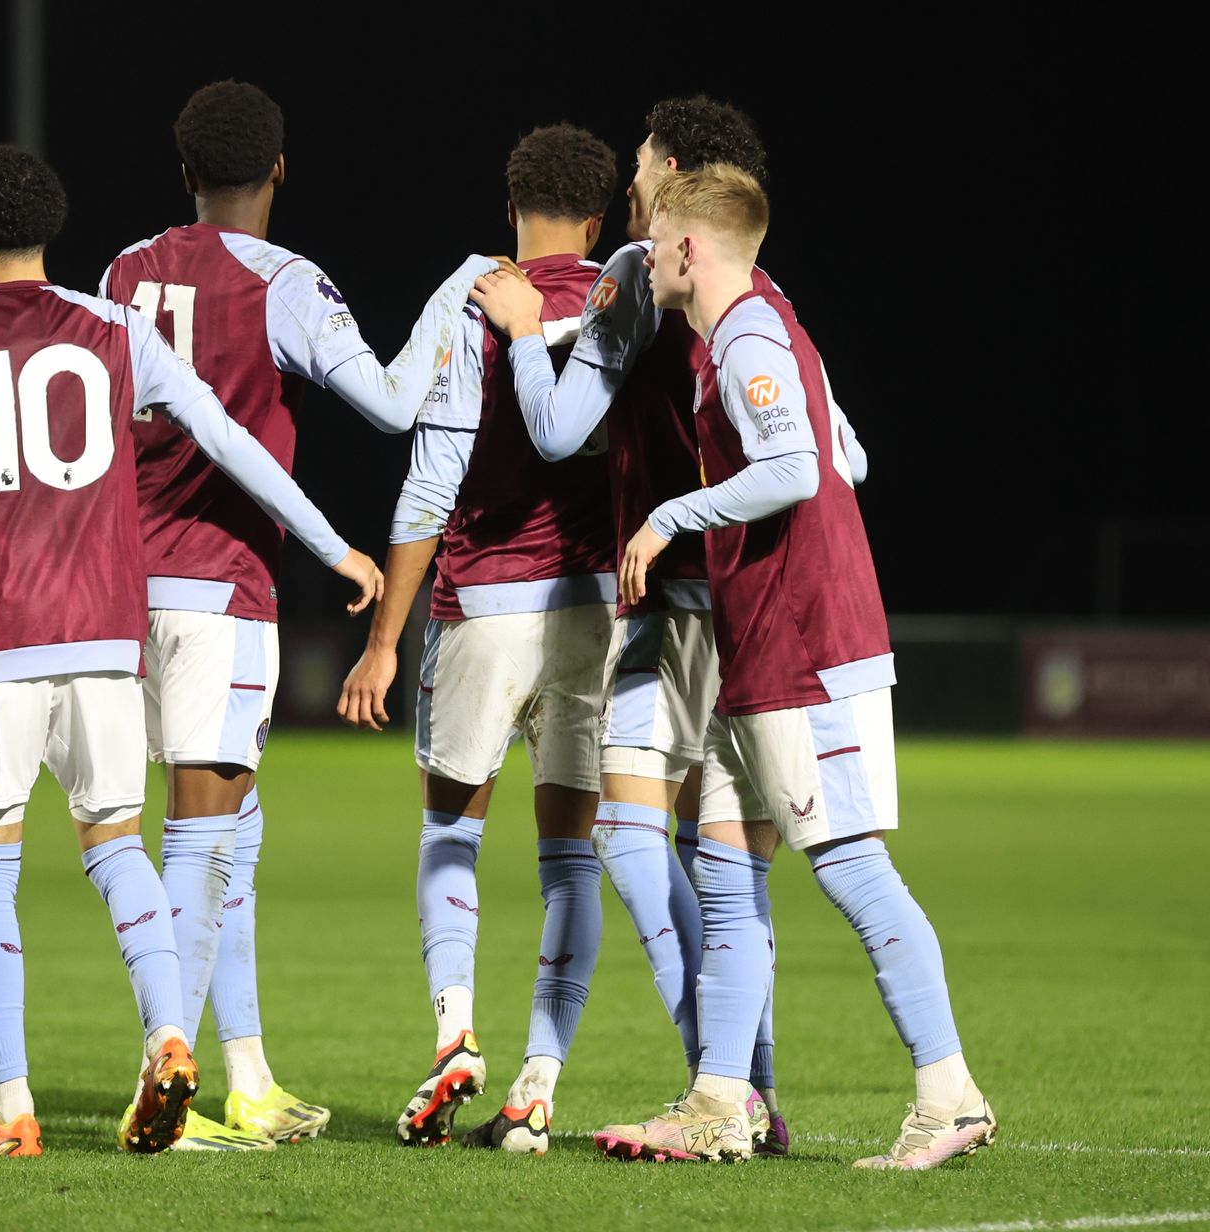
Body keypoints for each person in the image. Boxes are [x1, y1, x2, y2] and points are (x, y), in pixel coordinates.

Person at [0, 143, 383, 1157]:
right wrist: (333, 543)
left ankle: (14, 1110)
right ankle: (168, 1039)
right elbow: (228, 437)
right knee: (117, 847)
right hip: (107, 637)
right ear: (45, 232)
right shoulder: (115, 328)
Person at [539, 164, 992, 1167]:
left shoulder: (744, 333)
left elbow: (796, 467)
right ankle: (719, 1100)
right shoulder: (747, 333)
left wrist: (668, 515)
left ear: (690, 250)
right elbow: (846, 455)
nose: (642, 253)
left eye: (655, 238)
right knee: (728, 868)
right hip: (761, 644)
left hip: (804, 645)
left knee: (853, 866)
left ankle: (948, 1090)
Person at [97, 80, 499, 1148]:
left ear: (185, 173)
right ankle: (168, 1084)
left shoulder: (123, 271)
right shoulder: (284, 282)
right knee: (201, 835)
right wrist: (462, 281)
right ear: (280, 170)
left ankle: (249, 1074)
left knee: (235, 831)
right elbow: (394, 400)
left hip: (120, 587)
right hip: (222, 587)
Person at [337, 124, 620, 1155]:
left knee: (450, 831)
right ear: (600, 218)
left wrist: (382, 640)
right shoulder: (621, 295)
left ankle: (457, 1030)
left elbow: (431, 474)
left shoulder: (473, 295)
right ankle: (539, 1084)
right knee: (567, 856)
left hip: (487, 603)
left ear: (512, 206)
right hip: (594, 609)